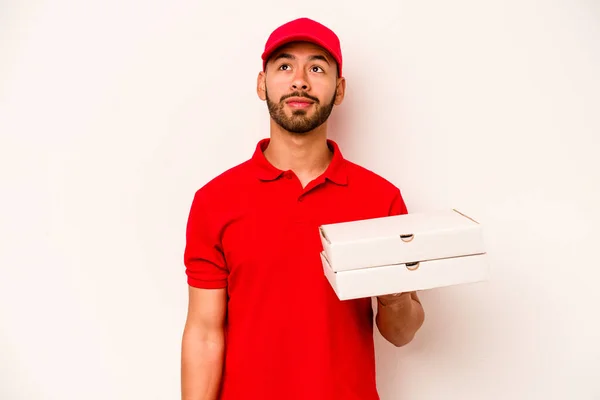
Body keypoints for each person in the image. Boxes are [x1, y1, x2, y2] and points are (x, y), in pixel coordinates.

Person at [180, 17, 425, 400]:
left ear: (339, 90)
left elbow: (401, 332)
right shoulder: (215, 200)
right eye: (283, 66)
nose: (300, 81)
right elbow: (204, 332)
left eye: (316, 68)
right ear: (262, 84)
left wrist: (395, 298)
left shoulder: (381, 199)